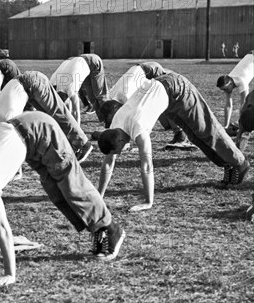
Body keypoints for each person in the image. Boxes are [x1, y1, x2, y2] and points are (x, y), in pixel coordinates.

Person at [0, 111, 125, 287]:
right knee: (56, 192)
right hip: (28, 138)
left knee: (71, 184)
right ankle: (97, 229)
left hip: (37, 130)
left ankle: (111, 229)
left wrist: (10, 274)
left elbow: (3, 229)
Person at [97, 72, 249, 212]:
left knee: (207, 130)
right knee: (195, 136)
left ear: (121, 139)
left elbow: (147, 165)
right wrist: (99, 195)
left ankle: (240, 163)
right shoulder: (115, 125)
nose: (120, 152)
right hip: (164, 94)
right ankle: (227, 163)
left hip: (178, 88)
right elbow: (109, 162)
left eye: (119, 150)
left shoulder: (138, 128)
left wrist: (148, 201)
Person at [0, 71, 93, 163]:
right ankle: (69, 146)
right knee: (49, 118)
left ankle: (83, 143)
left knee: (58, 113)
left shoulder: (7, 120)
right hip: (26, 87)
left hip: (31, 82)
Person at [51, 55, 109, 125]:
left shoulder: (70, 89)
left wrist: (77, 130)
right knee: (91, 96)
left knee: (99, 94)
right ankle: (103, 119)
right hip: (78, 62)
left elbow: (75, 111)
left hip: (92, 61)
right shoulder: (53, 85)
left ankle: (110, 119)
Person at [216, 52, 254, 128]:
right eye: (223, 90)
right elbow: (228, 105)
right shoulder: (228, 81)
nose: (225, 91)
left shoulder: (241, 80)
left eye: (225, 89)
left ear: (229, 83)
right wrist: (226, 126)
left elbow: (244, 106)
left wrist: (240, 125)